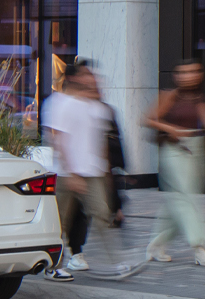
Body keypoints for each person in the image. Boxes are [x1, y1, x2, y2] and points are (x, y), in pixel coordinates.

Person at [42, 61, 140, 282]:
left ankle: (117, 264)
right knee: (60, 222)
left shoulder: (95, 107)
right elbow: (57, 140)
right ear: (74, 78)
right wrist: (72, 173)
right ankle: (53, 267)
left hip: (93, 172)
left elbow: (101, 144)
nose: (91, 78)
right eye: (86, 74)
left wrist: (106, 175)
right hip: (66, 175)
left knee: (103, 215)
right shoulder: (59, 103)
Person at [145, 59, 205, 265]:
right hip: (174, 149)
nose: (188, 76)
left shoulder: (199, 97)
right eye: (182, 72)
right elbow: (147, 119)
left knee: (179, 199)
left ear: (199, 75)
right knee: (187, 198)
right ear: (176, 76)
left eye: (192, 71)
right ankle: (199, 246)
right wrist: (170, 128)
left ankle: (156, 245)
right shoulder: (169, 95)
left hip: (196, 148)